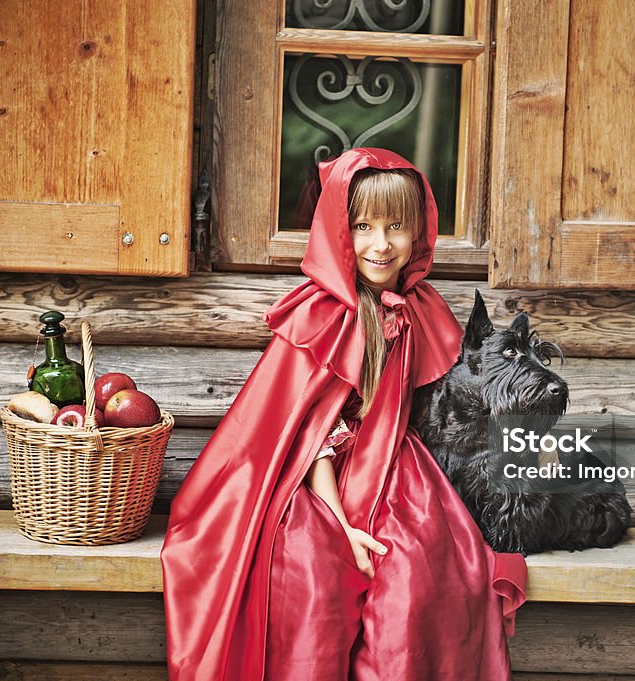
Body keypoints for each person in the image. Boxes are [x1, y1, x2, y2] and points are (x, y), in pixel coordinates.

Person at [161, 147, 527, 680]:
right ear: (340, 230)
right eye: (363, 227)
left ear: (418, 231)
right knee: (313, 577)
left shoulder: (420, 307)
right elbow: (306, 427)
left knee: (422, 576)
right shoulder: (321, 313)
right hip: (313, 477)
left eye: (397, 226)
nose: (380, 245)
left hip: (394, 465)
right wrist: (340, 520)